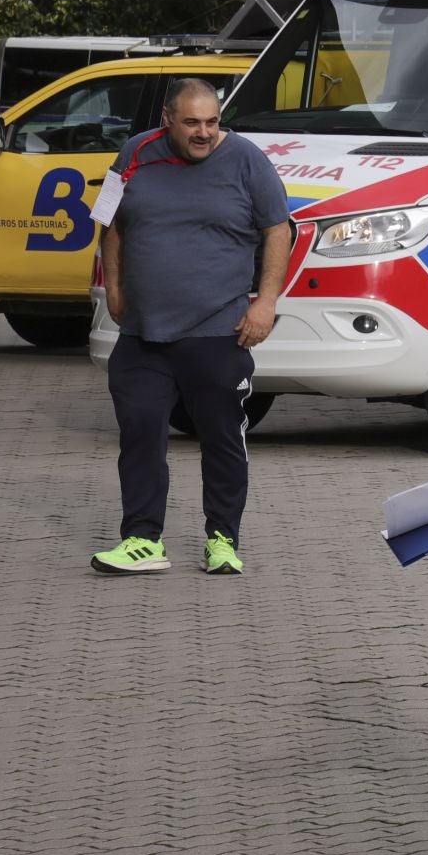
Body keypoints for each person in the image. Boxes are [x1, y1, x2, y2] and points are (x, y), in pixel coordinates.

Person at [91, 78, 290, 577]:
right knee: (139, 431)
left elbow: (278, 229)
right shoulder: (134, 153)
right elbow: (109, 222)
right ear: (166, 120)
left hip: (218, 332)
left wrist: (265, 302)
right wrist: (112, 287)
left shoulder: (247, 161)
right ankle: (142, 540)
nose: (204, 133)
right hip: (142, 332)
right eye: (192, 123)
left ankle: (222, 538)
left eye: (212, 122)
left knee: (221, 436)